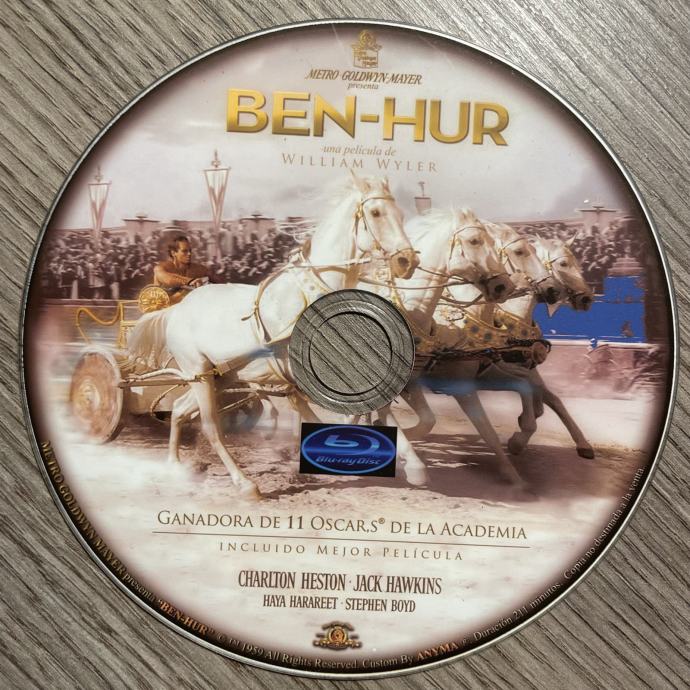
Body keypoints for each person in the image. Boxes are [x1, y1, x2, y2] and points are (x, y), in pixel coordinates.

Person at [153, 235, 209, 304]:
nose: (189, 254)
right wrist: (189, 281)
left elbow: (218, 281)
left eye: (190, 250)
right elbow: (167, 279)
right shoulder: (161, 268)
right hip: (163, 308)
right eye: (184, 251)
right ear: (173, 253)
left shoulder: (198, 269)